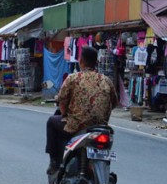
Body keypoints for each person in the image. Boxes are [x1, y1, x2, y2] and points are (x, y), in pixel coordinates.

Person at [45, 45, 118, 174]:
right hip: (100, 126)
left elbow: (62, 100)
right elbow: (114, 102)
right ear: (96, 62)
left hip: (77, 125)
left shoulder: (73, 78)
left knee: (52, 121)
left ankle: (54, 163)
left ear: (81, 61)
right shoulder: (106, 80)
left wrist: (64, 113)